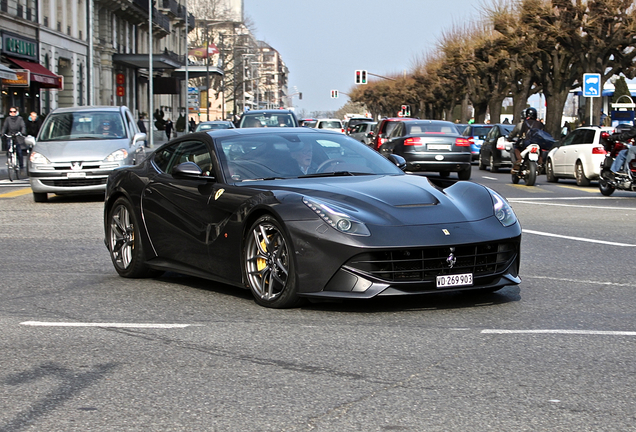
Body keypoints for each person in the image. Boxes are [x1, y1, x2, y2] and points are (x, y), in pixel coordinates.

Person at [508, 107, 544, 173]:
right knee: (540, 149)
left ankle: (519, 160)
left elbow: (521, 133)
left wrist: (519, 139)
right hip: (537, 142)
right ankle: (540, 162)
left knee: (516, 148)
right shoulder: (539, 124)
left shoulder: (525, 123)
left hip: (527, 142)